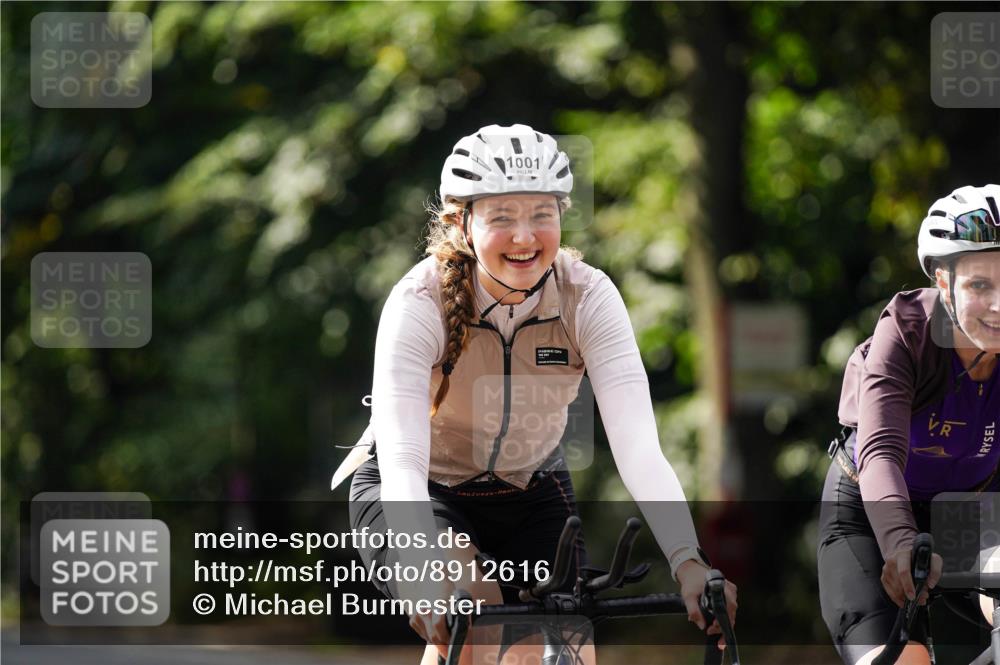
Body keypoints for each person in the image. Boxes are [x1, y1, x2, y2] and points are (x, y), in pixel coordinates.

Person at [335, 124, 738, 664]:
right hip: (421, 490)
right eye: (502, 217)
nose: (525, 237)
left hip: (530, 489)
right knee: (470, 615)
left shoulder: (586, 296)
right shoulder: (418, 301)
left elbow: (639, 448)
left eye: (541, 214)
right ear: (462, 223)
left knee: (565, 650)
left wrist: (689, 561)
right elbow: (405, 460)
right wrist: (421, 571)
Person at [819, 184, 1000, 665]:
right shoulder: (906, 330)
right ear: (943, 283)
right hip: (871, 509)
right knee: (906, 661)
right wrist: (900, 546)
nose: (999, 305)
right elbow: (879, 452)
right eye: (980, 286)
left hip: (972, 512)